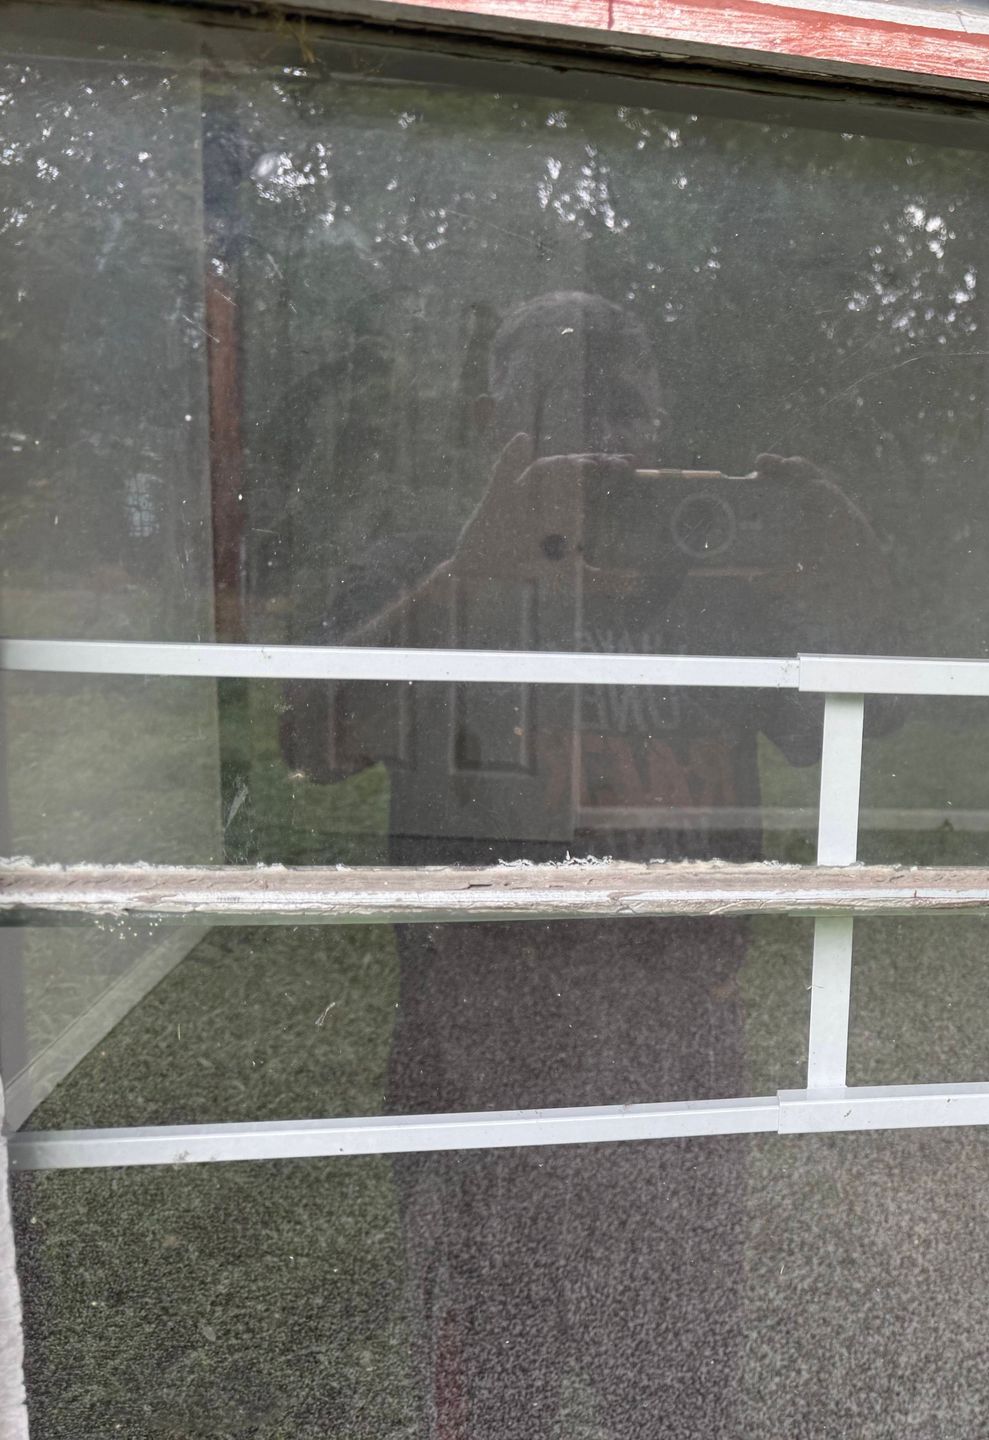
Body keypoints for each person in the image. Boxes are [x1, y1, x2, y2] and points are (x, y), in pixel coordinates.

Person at [279, 291, 896, 1437]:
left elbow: (881, 715)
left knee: (671, 1382)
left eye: (631, 407)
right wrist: (477, 574)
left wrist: (848, 567)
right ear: (488, 422)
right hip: (477, 1049)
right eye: (566, 412)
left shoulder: (723, 592)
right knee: (485, 1387)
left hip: (680, 1047)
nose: (613, 441)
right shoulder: (427, 565)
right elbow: (310, 740)